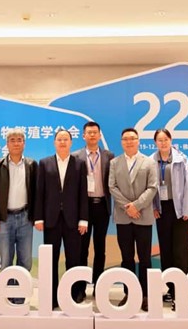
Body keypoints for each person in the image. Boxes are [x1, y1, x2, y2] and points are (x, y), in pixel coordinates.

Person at [34, 129, 88, 309]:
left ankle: (73, 295)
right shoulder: (45, 163)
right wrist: (38, 217)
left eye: (66, 139)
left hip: (73, 220)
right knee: (51, 259)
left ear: (71, 142)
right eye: (59, 139)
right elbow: (40, 192)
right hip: (51, 219)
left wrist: (83, 219)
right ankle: (51, 297)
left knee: (73, 259)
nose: (63, 142)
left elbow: (83, 193)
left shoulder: (79, 164)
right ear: (54, 143)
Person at [109, 127, 158, 312]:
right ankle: (129, 294)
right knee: (127, 258)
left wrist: (136, 206)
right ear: (121, 142)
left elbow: (152, 187)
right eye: (125, 139)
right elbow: (112, 187)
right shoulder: (114, 163)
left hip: (143, 216)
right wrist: (127, 207)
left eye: (132, 138)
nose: (129, 141)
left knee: (145, 259)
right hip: (123, 218)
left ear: (138, 141)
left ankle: (145, 295)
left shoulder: (149, 162)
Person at [0, 128, 37, 305]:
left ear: (24, 143)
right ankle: (8, 297)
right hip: (4, 219)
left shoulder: (32, 165)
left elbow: (36, 192)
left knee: (25, 260)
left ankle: (20, 296)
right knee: (6, 260)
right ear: (7, 144)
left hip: (25, 217)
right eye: (12, 140)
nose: (16, 143)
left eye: (19, 140)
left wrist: (35, 217)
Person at [150, 128, 188, 308]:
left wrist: (187, 209)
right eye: (159, 140)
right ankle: (169, 289)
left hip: (179, 209)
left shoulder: (181, 159)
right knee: (166, 251)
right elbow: (150, 187)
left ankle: (180, 292)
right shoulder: (151, 160)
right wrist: (154, 207)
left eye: (165, 139)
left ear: (171, 140)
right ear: (155, 142)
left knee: (180, 252)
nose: (163, 143)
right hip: (162, 210)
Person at [73, 121, 114, 303]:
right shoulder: (76, 156)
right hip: (84, 208)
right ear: (83, 136)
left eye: (95, 132)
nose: (92, 135)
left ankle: (99, 286)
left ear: (99, 135)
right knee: (82, 249)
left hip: (102, 207)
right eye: (88, 132)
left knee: (100, 249)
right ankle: (80, 288)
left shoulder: (108, 156)